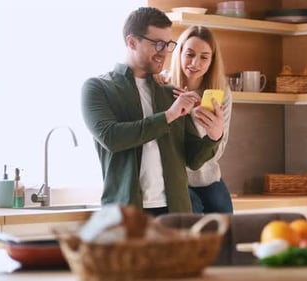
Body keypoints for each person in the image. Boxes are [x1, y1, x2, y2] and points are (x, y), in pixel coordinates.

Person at [81, 7, 224, 216]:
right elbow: (111, 137)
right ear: (131, 42)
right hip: (127, 216)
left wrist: (214, 135)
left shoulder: (170, 93)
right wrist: (169, 116)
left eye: (168, 44)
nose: (164, 51)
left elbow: (193, 159)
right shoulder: (97, 88)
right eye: (157, 44)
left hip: (176, 213)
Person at [164, 25, 234, 213]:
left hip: (208, 178)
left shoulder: (221, 93)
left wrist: (214, 132)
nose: (195, 63)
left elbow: (217, 151)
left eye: (204, 57)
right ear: (179, 53)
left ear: (212, 61)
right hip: (175, 181)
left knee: (226, 234)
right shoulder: (163, 85)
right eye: (190, 54)